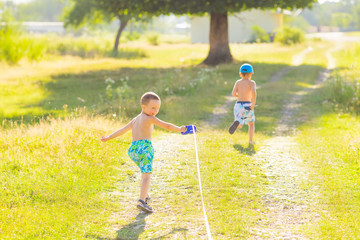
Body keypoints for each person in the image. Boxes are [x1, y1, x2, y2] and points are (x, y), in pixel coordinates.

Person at [101, 92, 186, 213]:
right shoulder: (150, 118)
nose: (155, 111)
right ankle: (141, 201)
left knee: (144, 172)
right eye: (153, 108)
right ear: (143, 107)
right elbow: (167, 126)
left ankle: (144, 194)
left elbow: (123, 130)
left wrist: (109, 137)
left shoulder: (135, 119)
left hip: (133, 150)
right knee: (146, 176)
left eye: (157, 108)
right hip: (144, 148)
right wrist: (180, 129)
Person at [228, 63, 257, 145]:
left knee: (239, 120)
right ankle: (250, 141)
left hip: (238, 105)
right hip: (247, 105)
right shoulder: (252, 83)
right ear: (251, 73)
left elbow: (233, 94)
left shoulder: (238, 82)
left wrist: (239, 95)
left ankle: (238, 123)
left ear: (240, 73)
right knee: (251, 123)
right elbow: (254, 93)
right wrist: (253, 104)